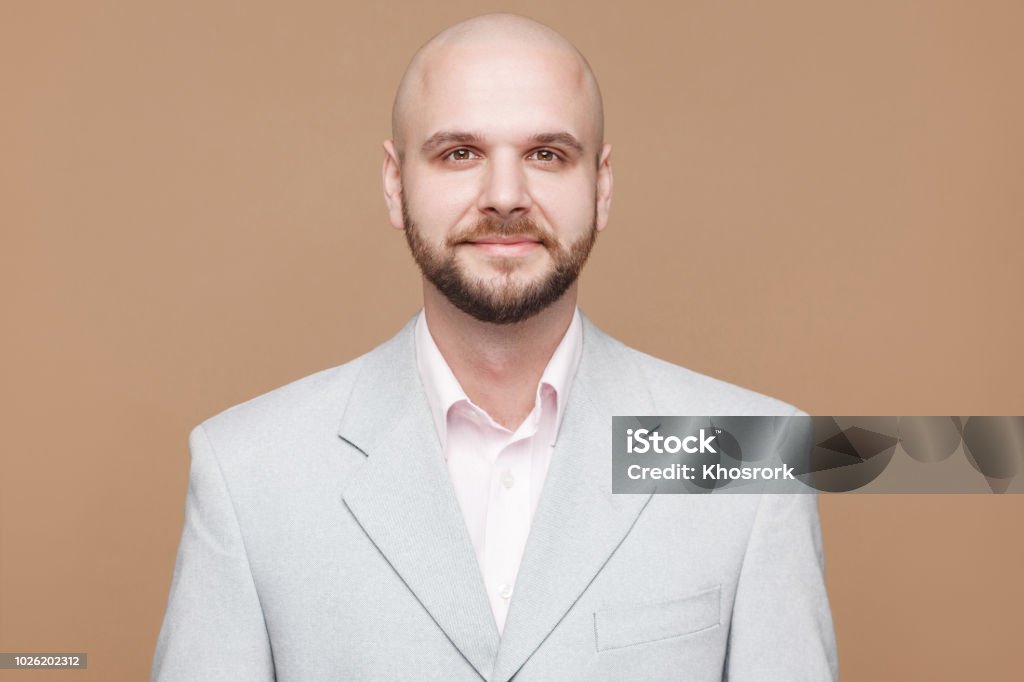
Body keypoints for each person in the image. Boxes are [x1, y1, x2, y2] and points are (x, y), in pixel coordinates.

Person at [152, 13, 837, 681]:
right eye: (460, 153)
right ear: (395, 184)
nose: (505, 196)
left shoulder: (753, 457)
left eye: (546, 154)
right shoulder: (244, 472)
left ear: (600, 186)